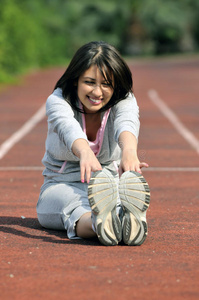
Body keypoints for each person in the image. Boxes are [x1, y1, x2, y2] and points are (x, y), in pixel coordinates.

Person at [36, 41, 150, 246]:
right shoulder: (58, 100)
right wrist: (84, 152)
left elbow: (128, 121)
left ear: (115, 86)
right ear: (75, 81)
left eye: (106, 84)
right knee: (72, 207)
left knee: (106, 202)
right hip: (61, 183)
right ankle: (104, 222)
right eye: (90, 82)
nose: (97, 92)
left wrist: (129, 152)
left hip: (108, 182)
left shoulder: (125, 100)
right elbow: (66, 126)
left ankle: (123, 218)